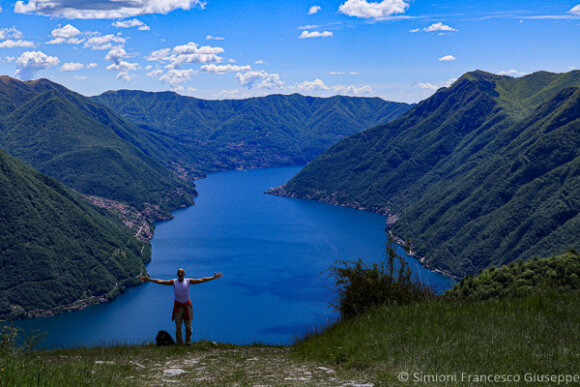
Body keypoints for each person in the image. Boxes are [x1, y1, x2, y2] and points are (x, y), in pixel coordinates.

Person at [140, 268, 223, 345]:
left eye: (181, 272)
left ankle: (188, 342)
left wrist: (213, 278)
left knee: (188, 326)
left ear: (184, 274)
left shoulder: (188, 281)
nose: (180, 274)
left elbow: (201, 280)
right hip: (178, 307)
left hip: (187, 306)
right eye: (178, 272)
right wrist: (149, 279)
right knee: (178, 327)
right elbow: (161, 281)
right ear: (177, 274)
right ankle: (180, 343)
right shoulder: (174, 282)